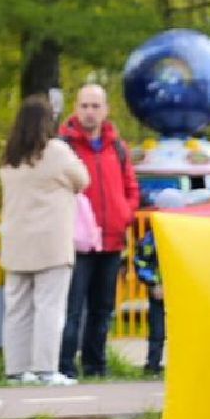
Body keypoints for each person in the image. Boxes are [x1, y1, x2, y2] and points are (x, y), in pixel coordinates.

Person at [0, 96, 89, 386]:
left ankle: (16, 369)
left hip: (16, 240)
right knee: (50, 307)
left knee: (17, 309)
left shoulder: (10, 156)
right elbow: (83, 179)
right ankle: (46, 369)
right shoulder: (57, 151)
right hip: (51, 241)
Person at [58, 83, 141, 381]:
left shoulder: (118, 147)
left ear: (105, 110)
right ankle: (65, 366)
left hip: (112, 239)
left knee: (102, 309)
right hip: (78, 242)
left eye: (95, 106)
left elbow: (131, 186)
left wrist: (125, 214)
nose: (90, 112)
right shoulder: (64, 146)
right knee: (72, 308)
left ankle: (96, 366)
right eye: (85, 106)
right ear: (76, 108)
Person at [134, 187, 186, 377]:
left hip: (182, 290)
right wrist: (154, 283)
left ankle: (181, 366)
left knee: (182, 331)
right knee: (157, 331)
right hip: (160, 291)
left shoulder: (186, 235)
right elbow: (141, 262)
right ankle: (153, 365)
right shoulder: (152, 238)